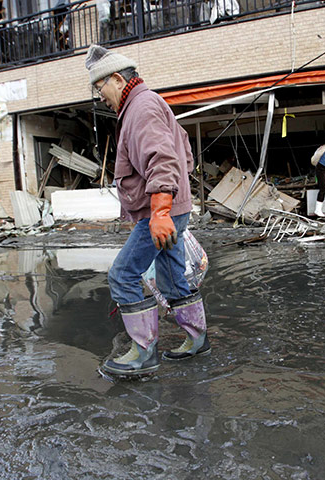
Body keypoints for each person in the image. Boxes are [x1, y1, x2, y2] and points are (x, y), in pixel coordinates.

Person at [85, 45, 210, 377]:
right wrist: (173, 203)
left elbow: (162, 159)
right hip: (171, 211)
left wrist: (159, 211)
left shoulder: (140, 108)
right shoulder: (147, 103)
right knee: (170, 277)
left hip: (159, 214)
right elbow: (183, 153)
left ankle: (143, 353)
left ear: (116, 78)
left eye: (101, 89)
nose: (102, 98)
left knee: (122, 275)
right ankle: (197, 340)